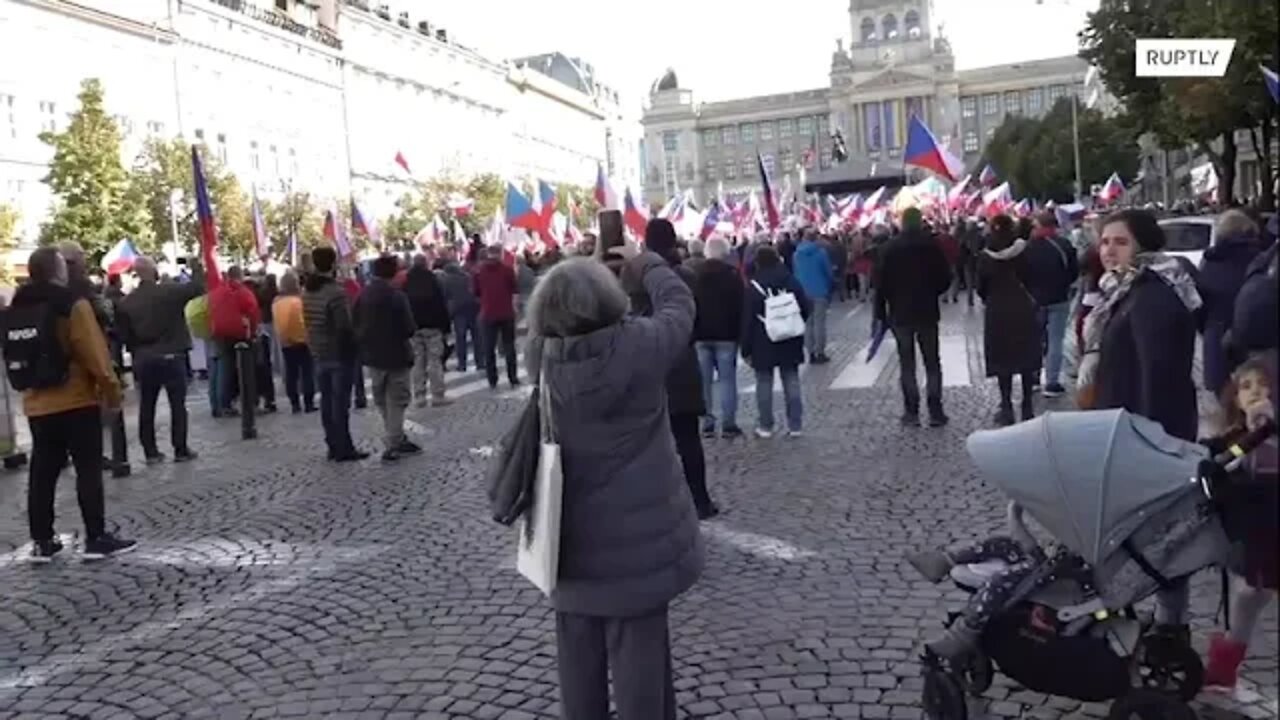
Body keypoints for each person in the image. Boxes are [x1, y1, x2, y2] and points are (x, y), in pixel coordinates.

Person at [523, 244, 703, 720]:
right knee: (642, 662)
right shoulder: (640, 347)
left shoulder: (540, 358)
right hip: (640, 546)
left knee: (576, 659)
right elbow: (680, 308)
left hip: (569, 539)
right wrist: (649, 265)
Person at [1080, 208, 1202, 637]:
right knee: (1153, 536)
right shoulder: (1126, 289)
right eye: (1105, 241)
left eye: (1120, 241)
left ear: (1143, 246)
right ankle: (1166, 619)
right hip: (1128, 428)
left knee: (1163, 538)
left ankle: (1171, 626)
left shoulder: (1151, 295)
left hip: (1146, 434)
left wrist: (1154, 444)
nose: (1109, 250)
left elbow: (1160, 375)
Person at [7, 247, 133, 561]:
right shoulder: (71, 304)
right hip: (76, 398)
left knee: (43, 472)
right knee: (88, 469)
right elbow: (94, 353)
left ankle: (42, 541)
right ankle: (96, 536)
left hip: (36, 402)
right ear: (57, 270)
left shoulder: (16, 307)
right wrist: (112, 393)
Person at [628, 219, 718, 520]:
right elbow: (700, 320)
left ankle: (657, 504)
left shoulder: (633, 275)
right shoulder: (687, 275)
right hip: (681, 361)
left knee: (650, 441)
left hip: (646, 363)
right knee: (688, 438)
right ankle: (700, 500)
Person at [1201, 352, 1278, 691]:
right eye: (1246, 386)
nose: (1255, 392)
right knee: (1247, 597)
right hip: (1256, 541)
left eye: (1264, 385)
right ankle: (1223, 667)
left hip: (1269, 537)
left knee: (1250, 595)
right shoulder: (1232, 438)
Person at [114, 256, 203, 464]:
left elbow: (124, 336)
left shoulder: (127, 302)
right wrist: (196, 264)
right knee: (177, 405)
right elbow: (198, 287)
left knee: (147, 405)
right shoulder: (169, 291)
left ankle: (151, 451)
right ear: (153, 271)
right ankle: (180, 449)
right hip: (172, 355)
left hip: (145, 358)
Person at [873, 207, 952, 427]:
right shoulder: (931, 246)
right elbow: (945, 278)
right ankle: (936, 411)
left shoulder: (889, 248)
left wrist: (880, 311)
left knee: (907, 364)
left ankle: (911, 411)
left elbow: (880, 284)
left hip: (900, 312)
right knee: (932, 362)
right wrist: (932, 292)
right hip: (927, 310)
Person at [354, 254, 420, 462]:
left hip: (373, 355)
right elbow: (409, 327)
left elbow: (355, 323)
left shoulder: (363, 295)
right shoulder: (396, 296)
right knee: (397, 399)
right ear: (393, 272)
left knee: (382, 398)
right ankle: (394, 441)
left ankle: (396, 436)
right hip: (396, 354)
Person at [304, 247, 368, 462]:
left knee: (326, 401)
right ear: (332, 264)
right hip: (338, 352)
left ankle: (332, 444)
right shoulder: (335, 292)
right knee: (340, 403)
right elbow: (343, 326)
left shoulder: (307, 291)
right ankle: (344, 447)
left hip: (318, 350)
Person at [977, 215, 1042, 426]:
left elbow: (981, 288)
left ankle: (1006, 406)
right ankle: (1027, 406)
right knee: (1025, 357)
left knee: (1002, 359)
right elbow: (1032, 277)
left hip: (997, 310)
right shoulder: (1024, 250)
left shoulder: (985, 256)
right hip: (1022, 308)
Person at [741, 245, 810, 438]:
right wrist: (794, 323)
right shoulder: (791, 280)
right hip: (789, 336)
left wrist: (745, 348)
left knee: (764, 382)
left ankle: (766, 426)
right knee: (791, 379)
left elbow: (747, 319)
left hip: (763, 339)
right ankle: (795, 425)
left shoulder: (754, 285)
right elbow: (805, 306)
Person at [1199, 210, 1266, 396]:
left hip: (1216, 337)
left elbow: (1199, 305)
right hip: (1254, 340)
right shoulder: (1261, 260)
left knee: (1225, 399)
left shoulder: (1209, 262)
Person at [693, 237, 745, 439]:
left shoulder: (695, 275)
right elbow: (740, 307)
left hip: (701, 335)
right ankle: (729, 423)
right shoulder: (732, 276)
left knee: (704, 382)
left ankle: (707, 423)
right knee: (727, 380)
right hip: (726, 335)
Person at [1024, 212, 1079, 398]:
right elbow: (1073, 272)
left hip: (1035, 300)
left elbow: (1022, 274)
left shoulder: (1028, 247)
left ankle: (1032, 379)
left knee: (1034, 340)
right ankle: (1052, 382)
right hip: (1059, 298)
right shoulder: (1064, 245)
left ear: (1039, 226)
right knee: (1056, 341)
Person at [207, 266, 261, 417]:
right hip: (240, 334)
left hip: (219, 333)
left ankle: (221, 404)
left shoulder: (217, 292)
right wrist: (253, 332)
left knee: (223, 368)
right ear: (240, 276)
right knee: (246, 368)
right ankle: (248, 402)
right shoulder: (243, 292)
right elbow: (253, 312)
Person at [403, 254, 452, 407]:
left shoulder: (406, 281)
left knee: (418, 362)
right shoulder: (432, 280)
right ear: (425, 264)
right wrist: (446, 327)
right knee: (435, 362)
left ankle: (419, 396)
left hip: (414, 328)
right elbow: (440, 304)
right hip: (433, 327)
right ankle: (438, 395)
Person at [472, 244, 520, 390]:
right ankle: (513, 378)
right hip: (506, 312)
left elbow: (476, 292)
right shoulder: (507, 270)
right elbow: (514, 289)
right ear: (500, 254)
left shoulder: (478, 272)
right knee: (509, 347)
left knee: (489, 349)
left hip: (487, 313)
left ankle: (492, 380)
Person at [272, 270, 315, 414]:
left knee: (291, 374)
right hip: (303, 340)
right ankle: (309, 403)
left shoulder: (276, 303)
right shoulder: (300, 300)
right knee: (307, 372)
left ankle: (294, 403)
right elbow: (305, 321)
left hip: (286, 342)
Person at [792, 230, 834, 364]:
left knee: (808, 324)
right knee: (819, 323)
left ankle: (810, 352)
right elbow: (827, 272)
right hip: (820, 290)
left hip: (803, 292)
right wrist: (830, 285)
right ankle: (820, 352)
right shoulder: (821, 253)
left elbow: (795, 272)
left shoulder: (796, 254)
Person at [438, 249, 483, 373]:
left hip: (458, 311)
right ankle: (480, 362)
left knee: (460, 338)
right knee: (476, 337)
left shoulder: (446, 280)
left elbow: (445, 296)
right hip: (473, 308)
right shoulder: (467, 276)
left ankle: (462, 364)